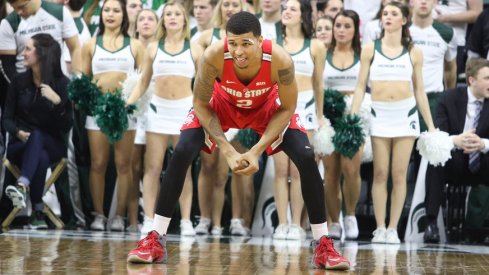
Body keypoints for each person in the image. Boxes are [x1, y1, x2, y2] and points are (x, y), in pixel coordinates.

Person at [127, 11, 350, 271]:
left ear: (260, 40)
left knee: (304, 155)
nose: (238, 51)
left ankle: (322, 243)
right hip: (220, 106)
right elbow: (199, 102)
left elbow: (287, 107)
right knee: (183, 150)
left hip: (266, 108)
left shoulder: (280, 59)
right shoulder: (213, 55)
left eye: (246, 43)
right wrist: (228, 150)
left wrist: (256, 151)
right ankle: (155, 238)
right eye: (233, 43)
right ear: (225, 40)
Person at [350, 2, 435, 244]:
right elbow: (359, 86)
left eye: (394, 14)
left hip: (405, 115)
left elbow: (419, 91)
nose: (388, 17)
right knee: (379, 173)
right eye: (385, 13)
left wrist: (429, 125)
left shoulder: (414, 51)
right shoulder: (369, 49)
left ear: (404, 20)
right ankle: (379, 228)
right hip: (379, 114)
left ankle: (393, 228)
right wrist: (353, 117)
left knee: (399, 175)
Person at [127, 1, 203, 237]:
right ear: (163, 20)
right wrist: (127, 103)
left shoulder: (196, 49)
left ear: (184, 19)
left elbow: (204, 86)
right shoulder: (152, 48)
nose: (172, 17)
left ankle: (187, 220)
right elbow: (143, 82)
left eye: (177, 14)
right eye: (167, 13)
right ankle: (149, 219)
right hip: (158, 112)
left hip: (184, 112)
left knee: (184, 169)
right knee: (152, 168)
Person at [80, 0, 144, 231]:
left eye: (116, 10)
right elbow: (82, 78)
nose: (110, 14)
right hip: (97, 111)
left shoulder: (135, 45)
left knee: (123, 165)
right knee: (98, 164)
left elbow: (143, 79)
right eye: (106, 10)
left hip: (124, 110)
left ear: (123, 14)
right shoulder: (90, 44)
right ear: (101, 13)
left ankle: (119, 216)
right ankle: (98, 215)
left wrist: (130, 102)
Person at [3, 33, 73, 229]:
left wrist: (58, 101)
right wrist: (17, 132)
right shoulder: (18, 82)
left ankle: (22, 185)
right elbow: (6, 119)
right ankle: (38, 210)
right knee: (39, 153)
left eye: (28, 49)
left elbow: (67, 125)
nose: (23, 53)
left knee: (39, 138)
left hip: (53, 145)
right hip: (20, 145)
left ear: (41, 54)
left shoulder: (62, 84)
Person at [273, 0, 326, 240]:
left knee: (299, 170)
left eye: (293, 9)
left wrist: (320, 115)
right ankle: (282, 223)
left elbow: (318, 84)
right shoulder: (273, 45)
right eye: (285, 9)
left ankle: (296, 223)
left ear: (303, 15)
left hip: (305, 111)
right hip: (278, 109)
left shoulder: (315, 46)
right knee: (280, 170)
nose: (287, 12)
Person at [423, 58, 489, 243]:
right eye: (487, 78)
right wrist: (456, 140)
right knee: (435, 160)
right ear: (472, 80)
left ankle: (481, 229)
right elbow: (437, 134)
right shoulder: (449, 98)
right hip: (456, 160)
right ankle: (431, 224)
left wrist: (483, 144)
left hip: (483, 162)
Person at [193, 0, 244, 236]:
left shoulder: (251, 36)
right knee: (208, 165)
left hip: (242, 108)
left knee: (233, 167)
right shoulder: (205, 37)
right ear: (219, 9)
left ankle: (232, 221)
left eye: (235, 4)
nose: (230, 8)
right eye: (226, 4)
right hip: (213, 107)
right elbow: (196, 70)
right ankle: (205, 219)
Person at [322, 9, 363, 240]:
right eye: (338, 25)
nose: (341, 30)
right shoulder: (324, 53)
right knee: (331, 172)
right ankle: (334, 221)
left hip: (353, 116)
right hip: (328, 116)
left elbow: (363, 86)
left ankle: (351, 214)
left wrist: (353, 112)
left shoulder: (362, 55)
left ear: (356, 29)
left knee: (351, 169)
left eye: (347, 26)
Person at [127, 8, 159, 233]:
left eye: (151, 19)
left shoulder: (161, 48)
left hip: (159, 112)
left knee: (155, 167)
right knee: (133, 166)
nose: (146, 23)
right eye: (142, 19)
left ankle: (154, 217)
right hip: (135, 113)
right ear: (135, 25)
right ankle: (132, 219)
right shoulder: (130, 47)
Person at [0, 0, 81, 77]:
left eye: (22, 6)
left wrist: (75, 78)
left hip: (58, 82)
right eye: (14, 8)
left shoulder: (60, 13)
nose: (19, 12)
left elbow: (75, 48)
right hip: (24, 84)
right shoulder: (8, 23)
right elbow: (7, 66)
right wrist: (19, 88)